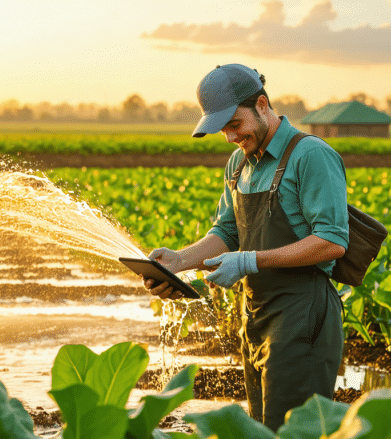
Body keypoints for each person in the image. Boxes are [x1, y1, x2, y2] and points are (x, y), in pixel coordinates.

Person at [142, 64, 348, 431]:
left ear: (263, 105)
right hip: (255, 315)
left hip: (303, 312)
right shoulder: (238, 163)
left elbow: (332, 242)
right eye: (223, 128)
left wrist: (251, 260)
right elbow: (228, 231)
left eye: (235, 124)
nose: (230, 137)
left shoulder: (310, 155)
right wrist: (179, 261)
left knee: (291, 431)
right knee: (260, 428)